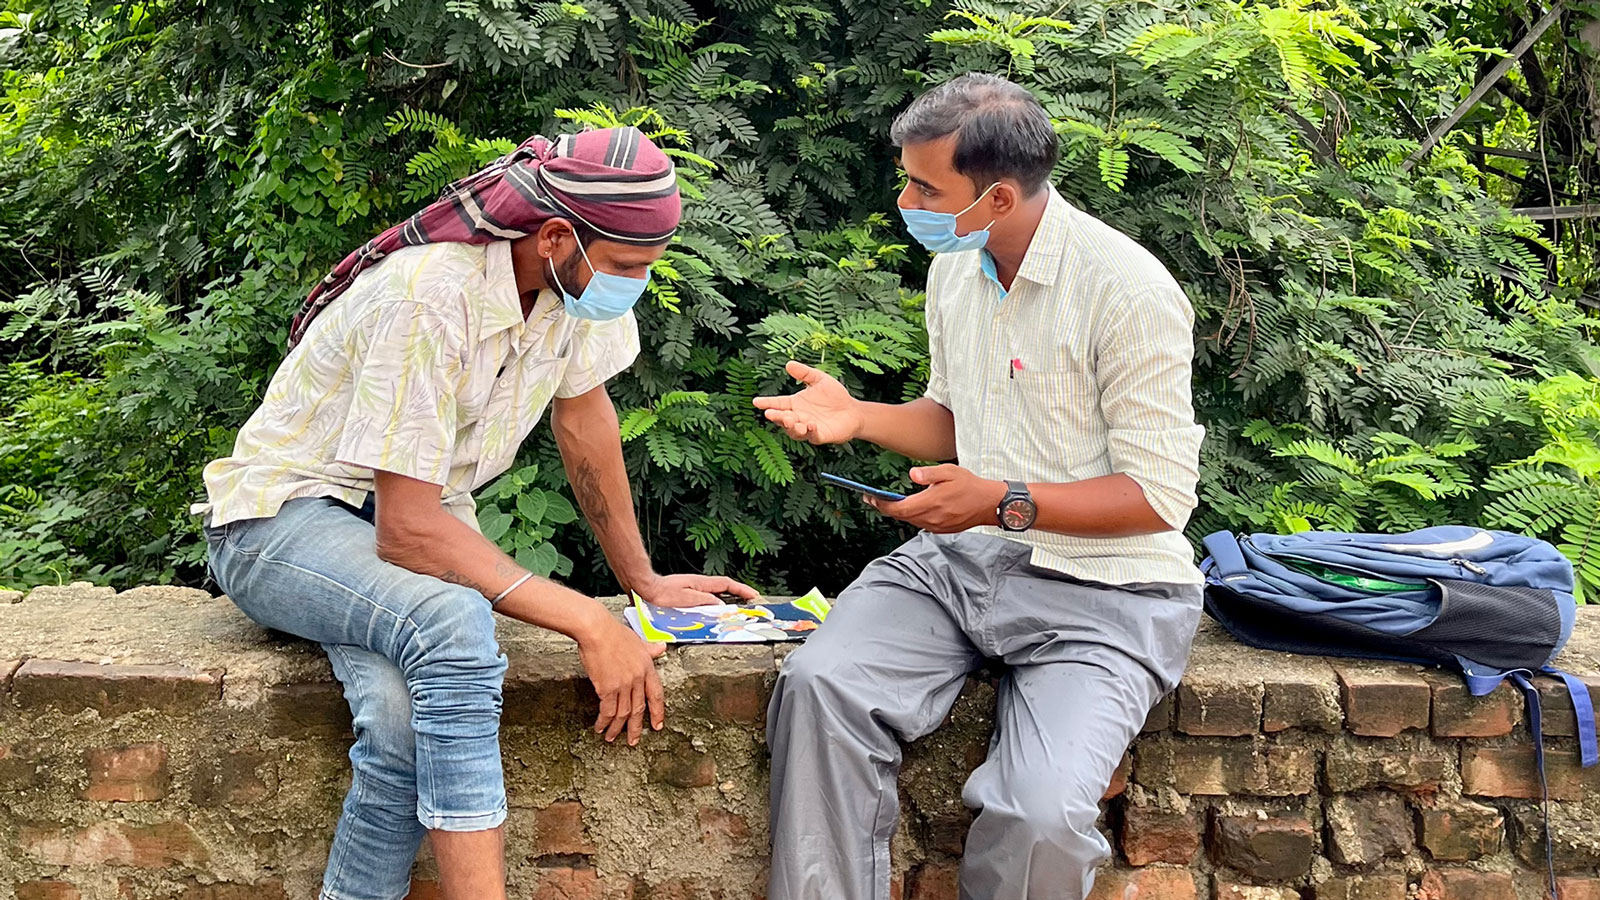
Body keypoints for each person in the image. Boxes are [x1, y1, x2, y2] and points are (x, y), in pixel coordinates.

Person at [195, 126, 755, 900]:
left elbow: (585, 423)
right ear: (557, 236)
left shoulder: (573, 289)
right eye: (628, 267)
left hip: (401, 528)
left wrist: (643, 582)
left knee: (401, 724)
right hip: (282, 520)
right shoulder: (431, 295)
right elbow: (408, 529)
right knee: (454, 630)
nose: (638, 283)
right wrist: (592, 623)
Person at [755, 73, 1207, 900]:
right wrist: (856, 417)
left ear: (997, 197)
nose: (905, 198)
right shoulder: (958, 272)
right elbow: (957, 419)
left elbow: (1158, 495)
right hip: (960, 563)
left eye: (926, 186)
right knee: (819, 689)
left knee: (1036, 812)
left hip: (1108, 589)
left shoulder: (1128, 291)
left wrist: (999, 500)